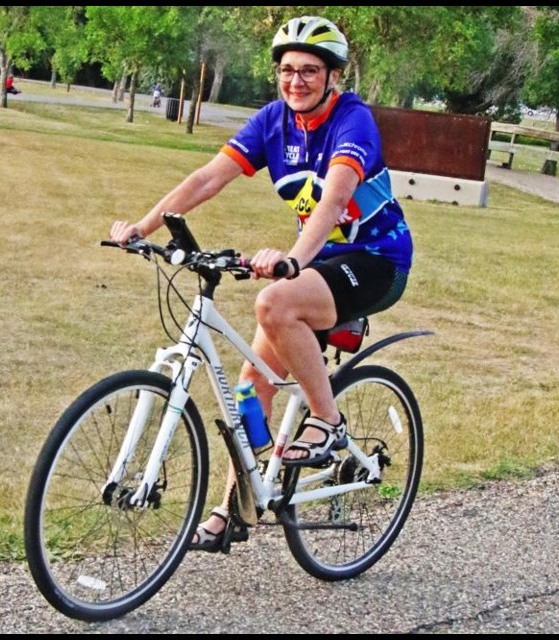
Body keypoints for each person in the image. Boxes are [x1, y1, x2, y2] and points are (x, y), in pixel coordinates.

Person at [109, 16, 413, 551]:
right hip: (319, 264)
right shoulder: (274, 121)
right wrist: (143, 226)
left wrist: (293, 260)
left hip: (375, 260)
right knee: (249, 388)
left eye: (310, 71)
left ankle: (328, 420)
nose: (297, 81)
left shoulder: (352, 120)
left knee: (274, 301)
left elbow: (337, 200)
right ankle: (235, 508)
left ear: (332, 77)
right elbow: (207, 178)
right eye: (288, 70)